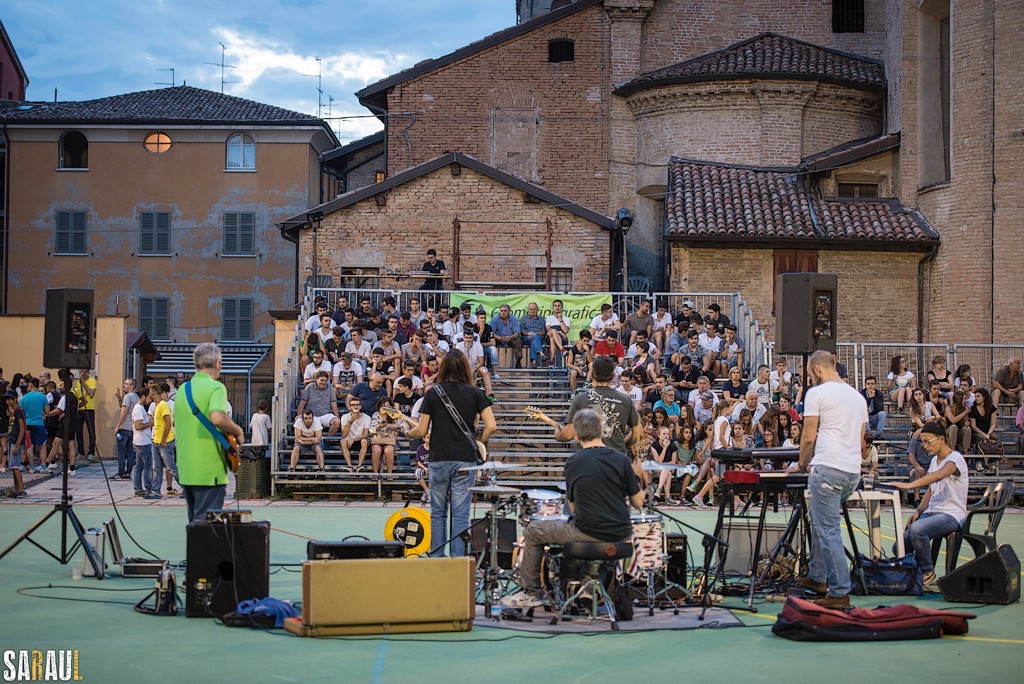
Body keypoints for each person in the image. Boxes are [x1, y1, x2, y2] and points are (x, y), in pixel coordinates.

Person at [502, 409, 643, 609]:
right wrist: (638, 476)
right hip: (621, 534)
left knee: (533, 530)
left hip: (589, 532)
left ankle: (532, 593)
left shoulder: (574, 462)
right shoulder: (621, 459)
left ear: (576, 433)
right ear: (601, 430)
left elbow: (574, 508)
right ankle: (586, 585)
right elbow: (638, 502)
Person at [795, 350, 868, 609]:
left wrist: (801, 464)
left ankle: (839, 592)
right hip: (852, 471)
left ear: (816, 369)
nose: (810, 379)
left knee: (828, 530)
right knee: (822, 521)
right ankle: (818, 576)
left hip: (828, 468)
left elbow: (808, 437)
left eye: (809, 374)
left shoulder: (817, 393)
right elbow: (860, 440)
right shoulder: (857, 397)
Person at [407, 350, 497, 557]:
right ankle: (458, 560)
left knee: (438, 512)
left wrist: (408, 432)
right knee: (460, 514)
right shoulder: (475, 393)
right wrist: (478, 441)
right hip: (465, 459)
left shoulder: (433, 393)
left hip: (439, 458)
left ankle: (438, 557)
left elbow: (421, 430)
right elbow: (492, 426)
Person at [890, 422, 969, 592]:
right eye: (922, 442)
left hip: (951, 514)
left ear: (941, 439)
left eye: (928, 441)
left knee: (917, 529)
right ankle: (914, 571)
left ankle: (927, 571)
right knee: (899, 547)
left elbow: (938, 475)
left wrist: (908, 486)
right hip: (933, 512)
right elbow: (931, 490)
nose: (925, 446)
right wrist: (919, 510)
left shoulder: (955, 459)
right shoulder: (934, 460)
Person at [174, 343, 245, 523]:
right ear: (217, 363)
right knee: (206, 527)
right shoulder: (216, 387)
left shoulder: (183, 390)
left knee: (195, 523)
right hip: (209, 469)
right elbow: (217, 418)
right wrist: (238, 430)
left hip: (186, 468)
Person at [556, 356, 642, 454]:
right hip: (616, 457)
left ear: (592, 375)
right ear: (613, 376)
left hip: (588, 456)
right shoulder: (625, 400)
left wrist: (558, 433)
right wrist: (623, 445)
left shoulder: (580, 399)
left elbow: (568, 435)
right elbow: (638, 431)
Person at [131, 387, 159, 499]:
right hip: (143, 442)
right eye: (149, 398)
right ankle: (148, 489)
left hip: (140, 441)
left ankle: (138, 488)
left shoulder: (140, 408)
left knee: (139, 465)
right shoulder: (138, 409)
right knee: (147, 466)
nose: (150, 401)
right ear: (143, 397)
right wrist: (150, 423)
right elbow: (138, 426)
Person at [152, 383, 178, 496]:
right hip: (156, 441)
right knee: (157, 468)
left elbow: (168, 423)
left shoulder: (163, 405)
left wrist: (164, 439)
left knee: (171, 467)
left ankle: (187, 488)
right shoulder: (158, 405)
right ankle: (156, 490)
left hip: (165, 441)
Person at [111, 378, 139, 480]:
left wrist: (117, 426)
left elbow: (124, 412)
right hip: (132, 428)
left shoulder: (127, 396)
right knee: (130, 451)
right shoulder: (136, 397)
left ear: (132, 386)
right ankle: (128, 472)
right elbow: (125, 408)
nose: (124, 385)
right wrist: (120, 399)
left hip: (124, 427)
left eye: (126, 384)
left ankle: (121, 472)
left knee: (121, 450)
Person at [4, 391, 28, 497]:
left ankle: (22, 489)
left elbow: (22, 429)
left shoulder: (19, 410)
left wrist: (17, 445)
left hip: (16, 442)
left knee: (15, 466)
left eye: (10, 399)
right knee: (12, 467)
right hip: (12, 440)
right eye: (7, 400)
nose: (8, 402)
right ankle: (16, 489)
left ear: (15, 399)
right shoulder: (13, 411)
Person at [72, 369, 98, 461]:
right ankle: (81, 451)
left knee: (91, 431)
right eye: (82, 372)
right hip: (80, 409)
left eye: (85, 372)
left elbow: (91, 394)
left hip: (89, 409)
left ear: (88, 372)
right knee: (78, 431)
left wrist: (84, 384)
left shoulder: (92, 381)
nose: (83, 373)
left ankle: (91, 452)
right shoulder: (77, 382)